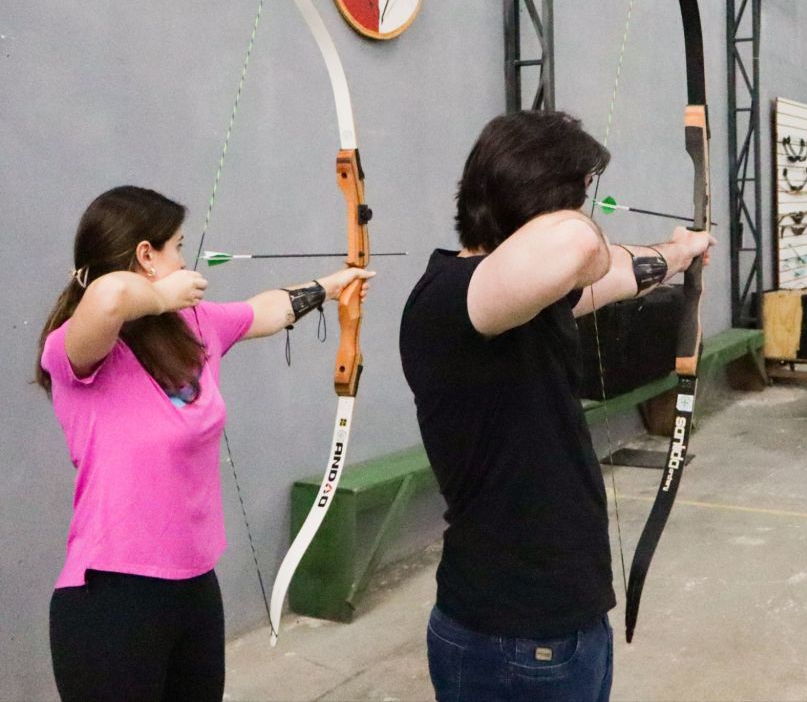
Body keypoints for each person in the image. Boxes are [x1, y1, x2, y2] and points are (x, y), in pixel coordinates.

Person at [399, 111, 714, 702]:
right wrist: (585, 227)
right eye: (581, 195)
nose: (587, 211)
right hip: (514, 635)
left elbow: (616, 274)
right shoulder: (453, 299)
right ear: (542, 202)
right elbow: (578, 246)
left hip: (559, 623)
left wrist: (680, 252)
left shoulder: (521, 299)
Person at [35, 185, 373, 702]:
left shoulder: (193, 325)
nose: (185, 260)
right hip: (112, 596)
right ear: (146, 256)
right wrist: (159, 296)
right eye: (176, 246)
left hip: (194, 587)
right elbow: (107, 298)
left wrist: (332, 286)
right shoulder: (77, 348)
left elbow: (265, 310)